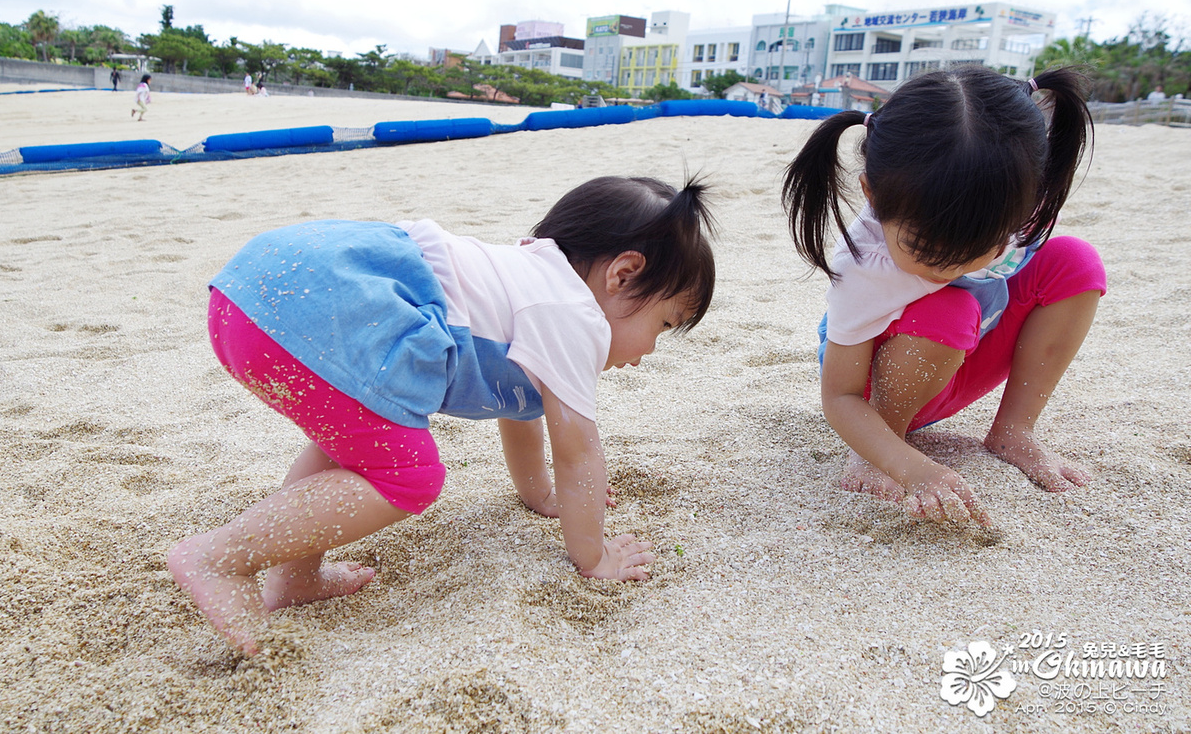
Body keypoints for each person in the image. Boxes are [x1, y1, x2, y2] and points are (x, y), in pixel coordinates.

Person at [168, 176, 718, 654]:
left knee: (358, 441)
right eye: (664, 325)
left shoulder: (526, 285)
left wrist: (539, 494)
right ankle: (220, 557)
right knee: (409, 476)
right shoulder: (575, 315)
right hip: (329, 305)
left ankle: (295, 576)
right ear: (622, 275)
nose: (649, 350)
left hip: (256, 297)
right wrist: (594, 555)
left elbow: (521, 415)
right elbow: (580, 453)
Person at [781, 66, 1104, 526]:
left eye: (980, 249)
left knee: (1075, 261)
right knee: (949, 307)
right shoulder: (865, 268)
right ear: (873, 194)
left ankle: (1013, 429)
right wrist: (908, 464)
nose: (951, 267)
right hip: (882, 390)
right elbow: (840, 397)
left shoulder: (1011, 206)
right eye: (928, 251)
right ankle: (880, 447)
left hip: (967, 351)